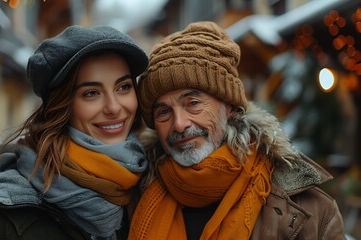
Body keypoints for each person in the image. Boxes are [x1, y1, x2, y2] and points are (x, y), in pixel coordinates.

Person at [128, 21, 346, 240]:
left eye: (193, 103)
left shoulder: (311, 210)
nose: (179, 124)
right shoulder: (131, 200)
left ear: (229, 106)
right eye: (163, 112)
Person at [0, 24, 148, 240]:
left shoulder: (152, 191)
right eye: (91, 93)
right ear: (62, 106)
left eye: (123, 87)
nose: (114, 107)